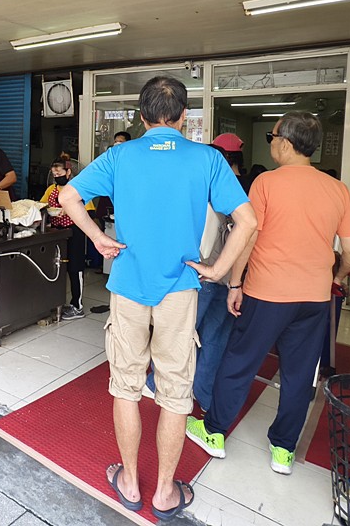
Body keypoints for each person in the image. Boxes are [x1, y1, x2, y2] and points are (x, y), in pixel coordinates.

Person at [58, 76, 257, 522]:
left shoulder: (119, 155)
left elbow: (68, 196)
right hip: (182, 290)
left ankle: (129, 481)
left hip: (129, 286)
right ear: (185, 116)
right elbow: (248, 221)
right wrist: (219, 271)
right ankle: (165, 492)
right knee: (174, 392)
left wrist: (98, 240)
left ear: (141, 116)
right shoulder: (207, 159)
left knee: (126, 387)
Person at [185, 112, 350, 476]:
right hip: (314, 297)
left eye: (272, 135)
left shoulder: (266, 183)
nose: (270, 142)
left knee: (239, 361)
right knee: (300, 375)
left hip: (267, 293)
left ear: (284, 142)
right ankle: (283, 450)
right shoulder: (337, 189)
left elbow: (248, 238)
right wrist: (338, 276)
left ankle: (214, 431)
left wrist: (235, 284)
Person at [144, 144, 236, 412]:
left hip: (199, 278)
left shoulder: (198, 198)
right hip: (225, 279)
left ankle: (154, 384)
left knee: (178, 335)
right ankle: (204, 394)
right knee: (214, 339)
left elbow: (195, 246)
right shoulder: (228, 198)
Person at [39, 155, 93, 320]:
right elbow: (42, 206)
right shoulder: (51, 190)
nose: (57, 177)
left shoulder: (78, 190)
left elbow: (90, 212)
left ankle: (77, 306)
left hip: (75, 232)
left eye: (60, 173)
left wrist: (69, 210)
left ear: (69, 172)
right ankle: (55, 302)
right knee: (56, 267)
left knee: (74, 268)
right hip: (57, 233)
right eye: (54, 175)